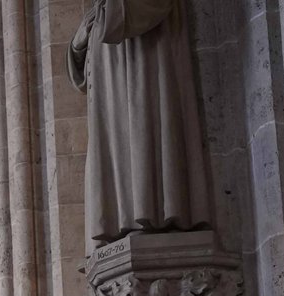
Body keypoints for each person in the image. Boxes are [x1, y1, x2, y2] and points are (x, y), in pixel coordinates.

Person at [67, 0, 210, 245]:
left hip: (142, 72)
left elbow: (130, 16)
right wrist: (79, 42)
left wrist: (103, 18)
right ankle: (117, 225)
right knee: (116, 150)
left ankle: (151, 217)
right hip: (109, 95)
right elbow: (85, 65)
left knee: (144, 142)